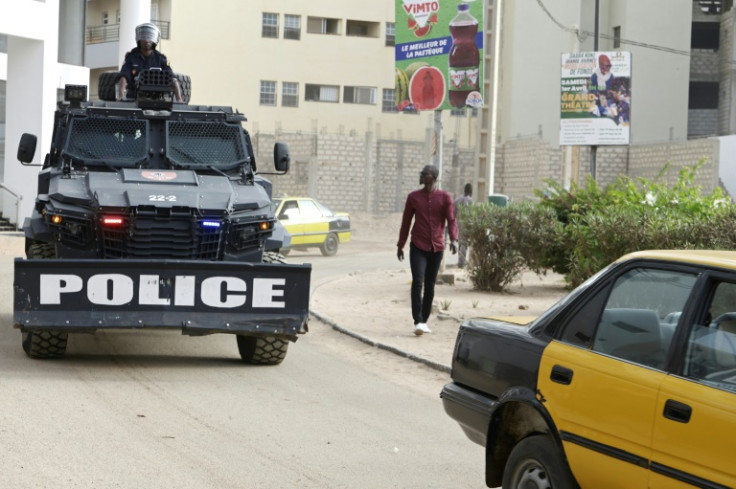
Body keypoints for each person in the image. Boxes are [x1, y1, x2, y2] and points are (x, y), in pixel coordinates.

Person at [397, 165, 458, 336]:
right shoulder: (413, 197)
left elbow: (451, 220)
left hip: (437, 247)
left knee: (430, 285)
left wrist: (454, 239)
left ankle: (424, 320)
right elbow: (406, 222)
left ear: (434, 178)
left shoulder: (445, 197)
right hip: (418, 245)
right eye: (422, 174)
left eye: (425, 175)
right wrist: (400, 244)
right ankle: (417, 320)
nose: (422, 177)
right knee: (418, 281)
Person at [118, 22, 183, 102]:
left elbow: (173, 78)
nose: (146, 40)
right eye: (143, 37)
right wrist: (121, 96)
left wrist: (179, 100)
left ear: (154, 40)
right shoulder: (131, 57)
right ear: (139, 39)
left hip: (157, 99)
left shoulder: (161, 59)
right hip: (134, 99)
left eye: (150, 37)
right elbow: (123, 77)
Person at [454, 183, 473, 268]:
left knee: (460, 242)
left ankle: (460, 260)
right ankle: (462, 262)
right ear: (471, 191)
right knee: (464, 243)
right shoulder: (470, 201)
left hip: (458, 223)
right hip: (466, 224)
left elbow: (453, 212)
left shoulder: (457, 200)